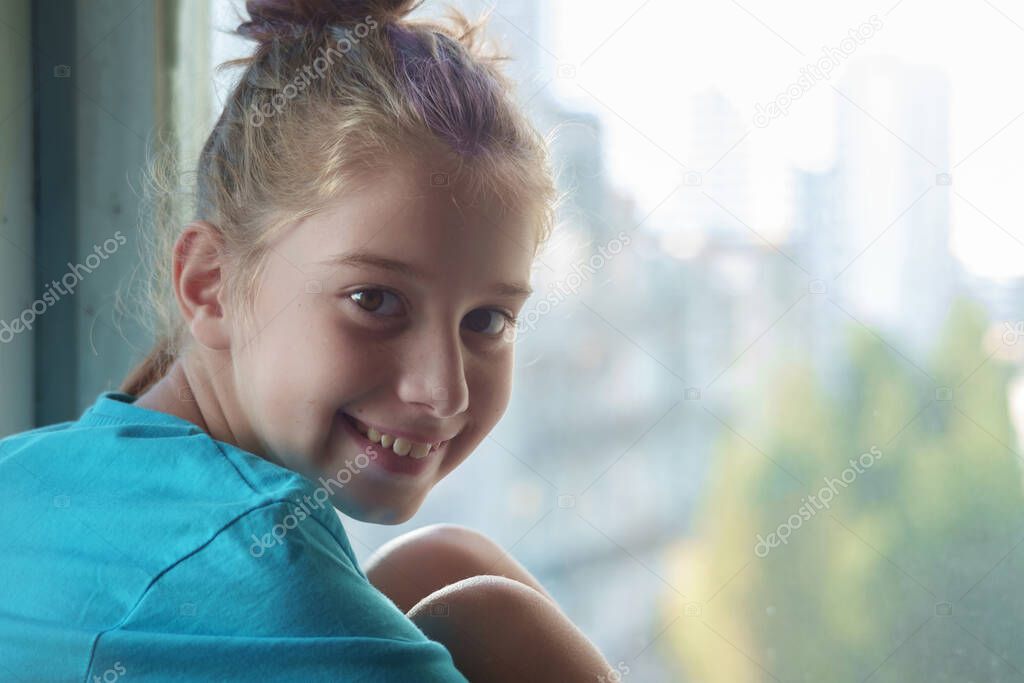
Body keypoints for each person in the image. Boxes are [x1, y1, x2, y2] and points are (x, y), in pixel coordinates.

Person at [0, 0, 613, 680]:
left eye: (487, 321)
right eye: (374, 300)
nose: (443, 390)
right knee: (499, 619)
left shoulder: (21, 471)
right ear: (210, 284)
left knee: (441, 563)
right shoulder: (268, 582)